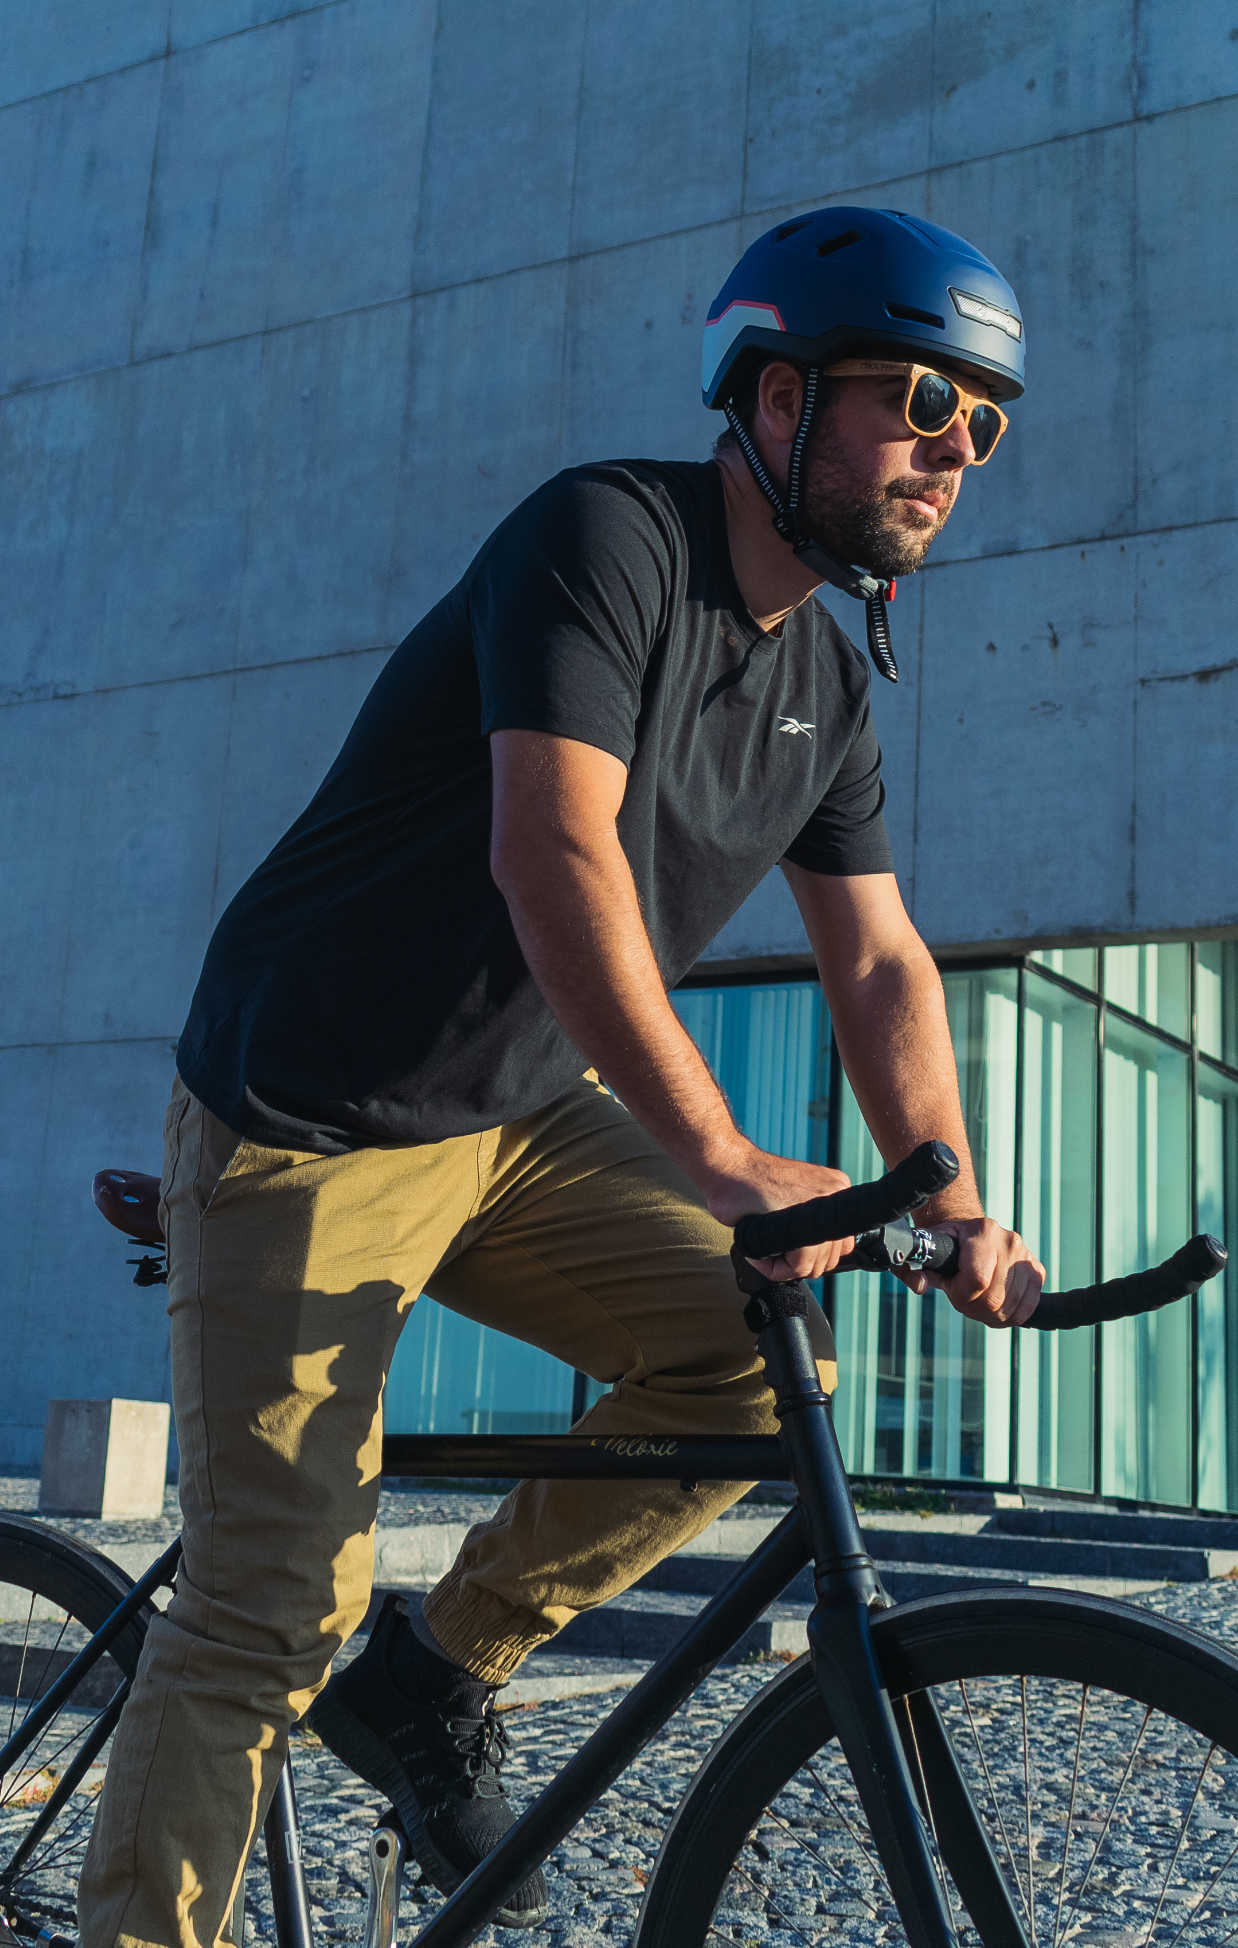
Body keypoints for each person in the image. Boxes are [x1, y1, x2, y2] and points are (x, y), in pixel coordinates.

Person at [79, 207, 1044, 1946]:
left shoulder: (825, 683)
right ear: (775, 397)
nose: (952, 451)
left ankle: (436, 1673)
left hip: (515, 1118)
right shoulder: (604, 538)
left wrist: (955, 1197)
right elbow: (556, 850)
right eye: (917, 401)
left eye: (980, 422)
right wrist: (724, 1154)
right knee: (266, 1612)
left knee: (750, 1366)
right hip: (312, 1109)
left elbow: (879, 961)